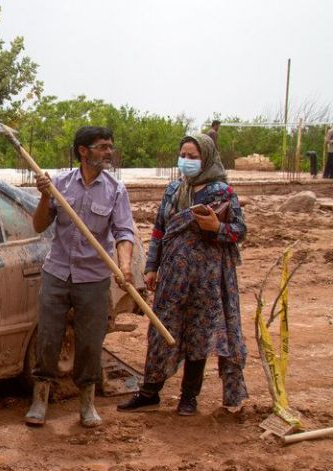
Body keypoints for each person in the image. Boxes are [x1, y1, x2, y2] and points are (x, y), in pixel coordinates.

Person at [117, 133, 248, 415]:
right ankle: (149, 392)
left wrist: (217, 228)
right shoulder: (173, 190)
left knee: (199, 336)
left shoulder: (222, 193)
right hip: (173, 277)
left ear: (207, 159)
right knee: (160, 332)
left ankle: (189, 396)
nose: (186, 161)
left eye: (193, 156)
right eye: (184, 155)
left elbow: (239, 231)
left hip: (207, 278)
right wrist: (152, 266)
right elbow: (159, 230)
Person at [27, 126, 136, 428]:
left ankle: (87, 404)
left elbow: (124, 232)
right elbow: (38, 226)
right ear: (83, 151)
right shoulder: (59, 185)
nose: (109, 152)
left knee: (90, 342)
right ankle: (40, 400)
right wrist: (43, 197)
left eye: (110, 147)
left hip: (94, 277)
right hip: (57, 272)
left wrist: (124, 266)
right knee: (48, 338)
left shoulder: (115, 190)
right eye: (102, 147)